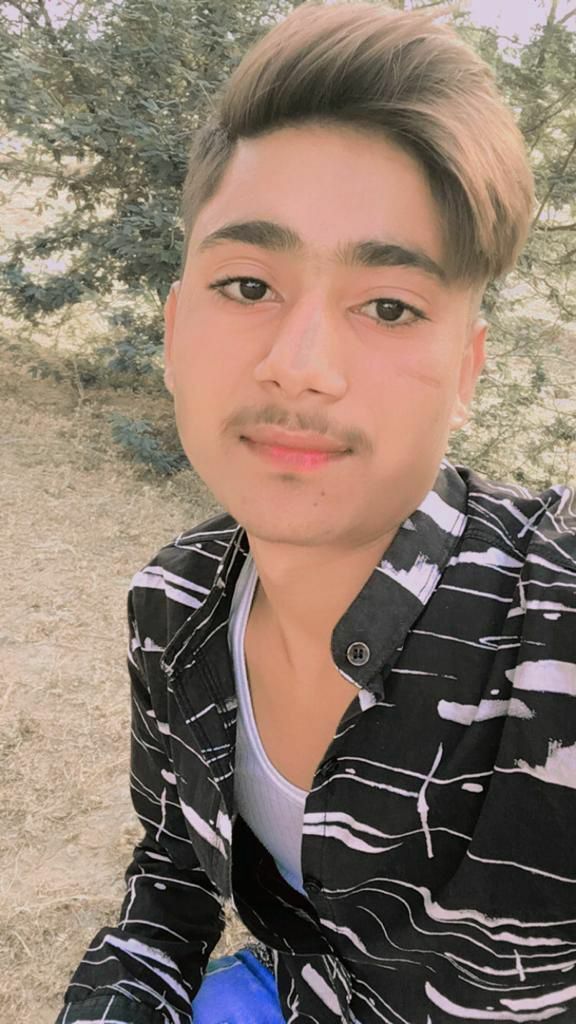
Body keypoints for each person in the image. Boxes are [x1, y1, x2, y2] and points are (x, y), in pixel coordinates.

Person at [54, 2, 576, 1022]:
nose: (299, 364)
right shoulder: (172, 607)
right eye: (249, 284)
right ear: (174, 331)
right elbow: (170, 875)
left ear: (465, 370)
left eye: (389, 306)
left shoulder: (548, 633)